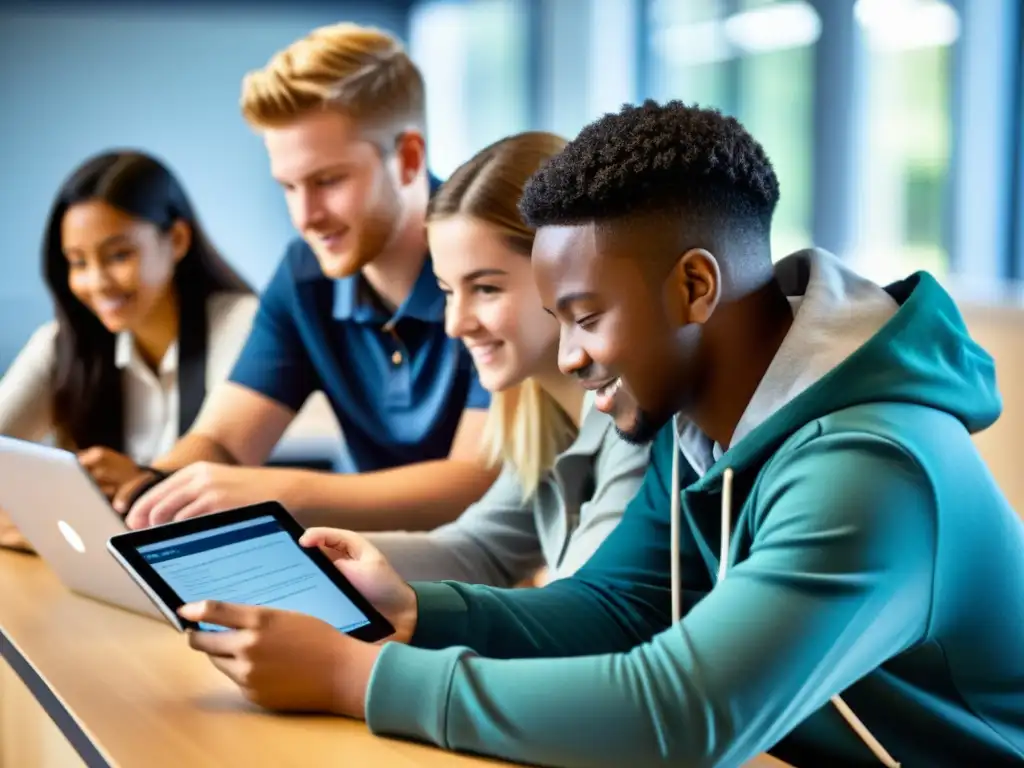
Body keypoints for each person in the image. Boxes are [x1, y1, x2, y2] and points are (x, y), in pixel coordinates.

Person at [177, 101, 1024, 766]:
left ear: (696, 287)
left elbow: (684, 715)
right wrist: (411, 611)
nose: (574, 357)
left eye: (586, 317)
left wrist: (351, 675)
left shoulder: (868, 465)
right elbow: (619, 608)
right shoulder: (700, 424)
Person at [107, 23, 497, 532]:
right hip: (384, 570)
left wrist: (279, 491)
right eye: (288, 186)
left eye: (327, 181)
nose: (304, 216)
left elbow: (474, 482)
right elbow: (223, 442)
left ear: (408, 158)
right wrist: (150, 496)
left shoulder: (493, 260)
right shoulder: (303, 275)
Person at [366, 131, 648, 586]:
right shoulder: (540, 416)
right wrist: (317, 557)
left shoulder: (638, 420)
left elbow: (583, 606)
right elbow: (479, 550)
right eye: (446, 291)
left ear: (568, 271)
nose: (455, 324)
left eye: (486, 288)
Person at [0, 150, 255, 552]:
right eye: (78, 262)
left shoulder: (244, 325)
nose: (97, 282)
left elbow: (216, 489)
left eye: (119, 255)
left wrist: (139, 481)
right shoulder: (62, 344)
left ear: (177, 240)